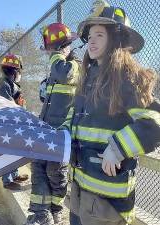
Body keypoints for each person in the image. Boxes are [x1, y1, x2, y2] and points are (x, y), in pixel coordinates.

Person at [64, 1, 160, 225]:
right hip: (79, 189)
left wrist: (118, 148)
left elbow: (155, 121)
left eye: (99, 34)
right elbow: (73, 117)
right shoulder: (87, 79)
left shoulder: (127, 77)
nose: (91, 40)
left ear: (116, 39)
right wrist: (60, 137)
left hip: (108, 202)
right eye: (89, 36)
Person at [25, 23, 81, 225]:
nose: (50, 55)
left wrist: (57, 55)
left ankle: (56, 210)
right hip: (45, 130)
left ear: (65, 48)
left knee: (55, 173)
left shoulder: (75, 65)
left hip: (61, 134)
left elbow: (64, 74)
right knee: (38, 168)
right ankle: (40, 213)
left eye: (53, 50)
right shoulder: (55, 70)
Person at [0, 53, 28, 189]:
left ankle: (14, 175)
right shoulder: (3, 84)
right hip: (6, 124)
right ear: (14, 71)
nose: (19, 74)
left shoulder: (10, 83)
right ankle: (7, 181)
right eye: (18, 71)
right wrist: (18, 106)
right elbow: (7, 106)